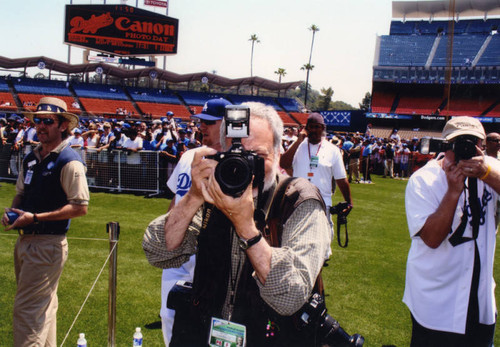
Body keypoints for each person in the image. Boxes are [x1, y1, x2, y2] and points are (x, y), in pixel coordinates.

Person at [157, 102, 330, 347]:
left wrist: (246, 227)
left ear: (278, 152)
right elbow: (160, 252)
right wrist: (193, 196)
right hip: (206, 332)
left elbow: (291, 296)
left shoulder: (298, 200)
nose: (244, 166)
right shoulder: (214, 193)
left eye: (257, 156)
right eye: (235, 155)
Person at [403, 116, 500, 346]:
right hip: (436, 300)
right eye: (459, 144)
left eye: (473, 144)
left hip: (480, 297)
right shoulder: (423, 180)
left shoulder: (491, 170)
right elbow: (432, 239)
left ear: (482, 146)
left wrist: (486, 173)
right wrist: (453, 192)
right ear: (446, 146)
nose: (467, 151)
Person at [1, 97, 89, 347]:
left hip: (47, 243)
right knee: (44, 310)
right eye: (37, 120)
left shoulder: (69, 160)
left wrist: (35, 218)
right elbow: (21, 191)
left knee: (27, 312)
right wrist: (15, 211)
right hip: (26, 242)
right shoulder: (31, 158)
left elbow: (80, 207)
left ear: (62, 125)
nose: (40, 126)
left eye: (47, 121)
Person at [160, 98, 231, 346]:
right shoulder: (188, 156)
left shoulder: (234, 163)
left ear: (228, 124)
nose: (203, 127)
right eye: (202, 121)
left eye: (211, 123)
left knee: (213, 326)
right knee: (169, 316)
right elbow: (175, 200)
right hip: (179, 254)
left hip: (213, 257)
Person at [280, 112, 352, 257]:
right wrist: (298, 141)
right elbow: (284, 163)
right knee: (294, 244)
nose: (313, 130)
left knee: (320, 248)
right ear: (306, 128)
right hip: (297, 201)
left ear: (323, 128)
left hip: (322, 202)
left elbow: (341, 179)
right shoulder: (298, 146)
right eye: (310, 127)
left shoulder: (333, 150)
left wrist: (349, 202)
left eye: (317, 127)